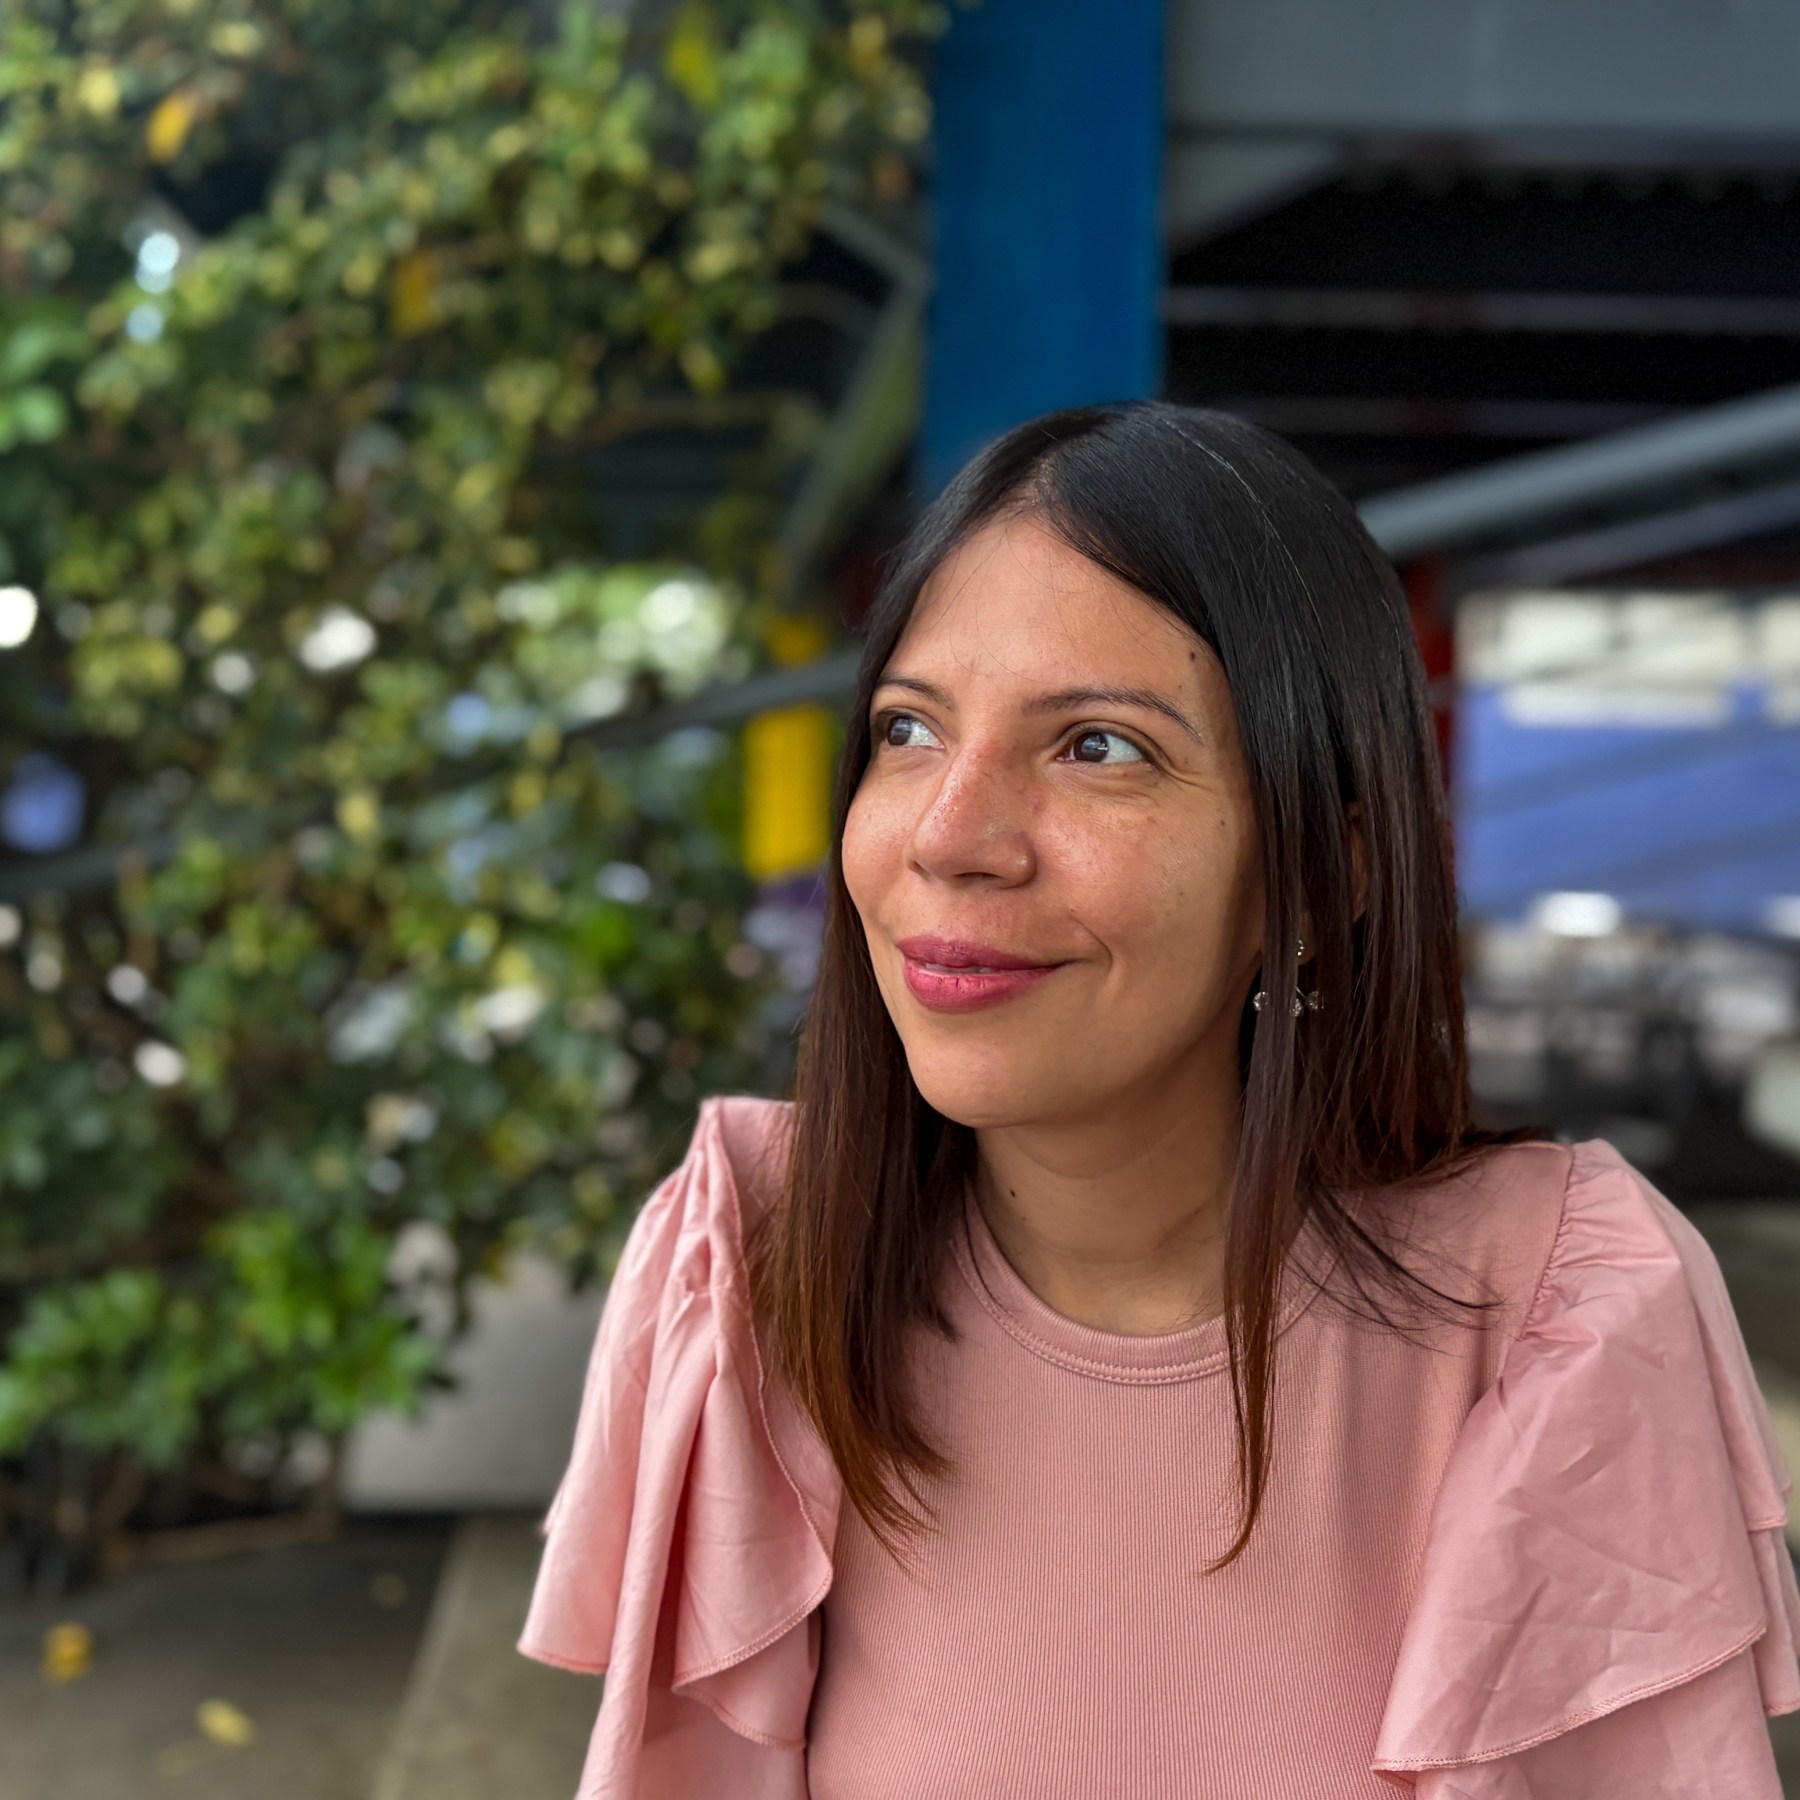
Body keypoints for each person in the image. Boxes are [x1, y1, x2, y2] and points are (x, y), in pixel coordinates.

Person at [519, 403, 1800, 1798]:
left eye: (1098, 747)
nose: (949, 835)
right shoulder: (758, 1276)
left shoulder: (1558, 1319)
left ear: (1325, 876)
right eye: (909, 728)